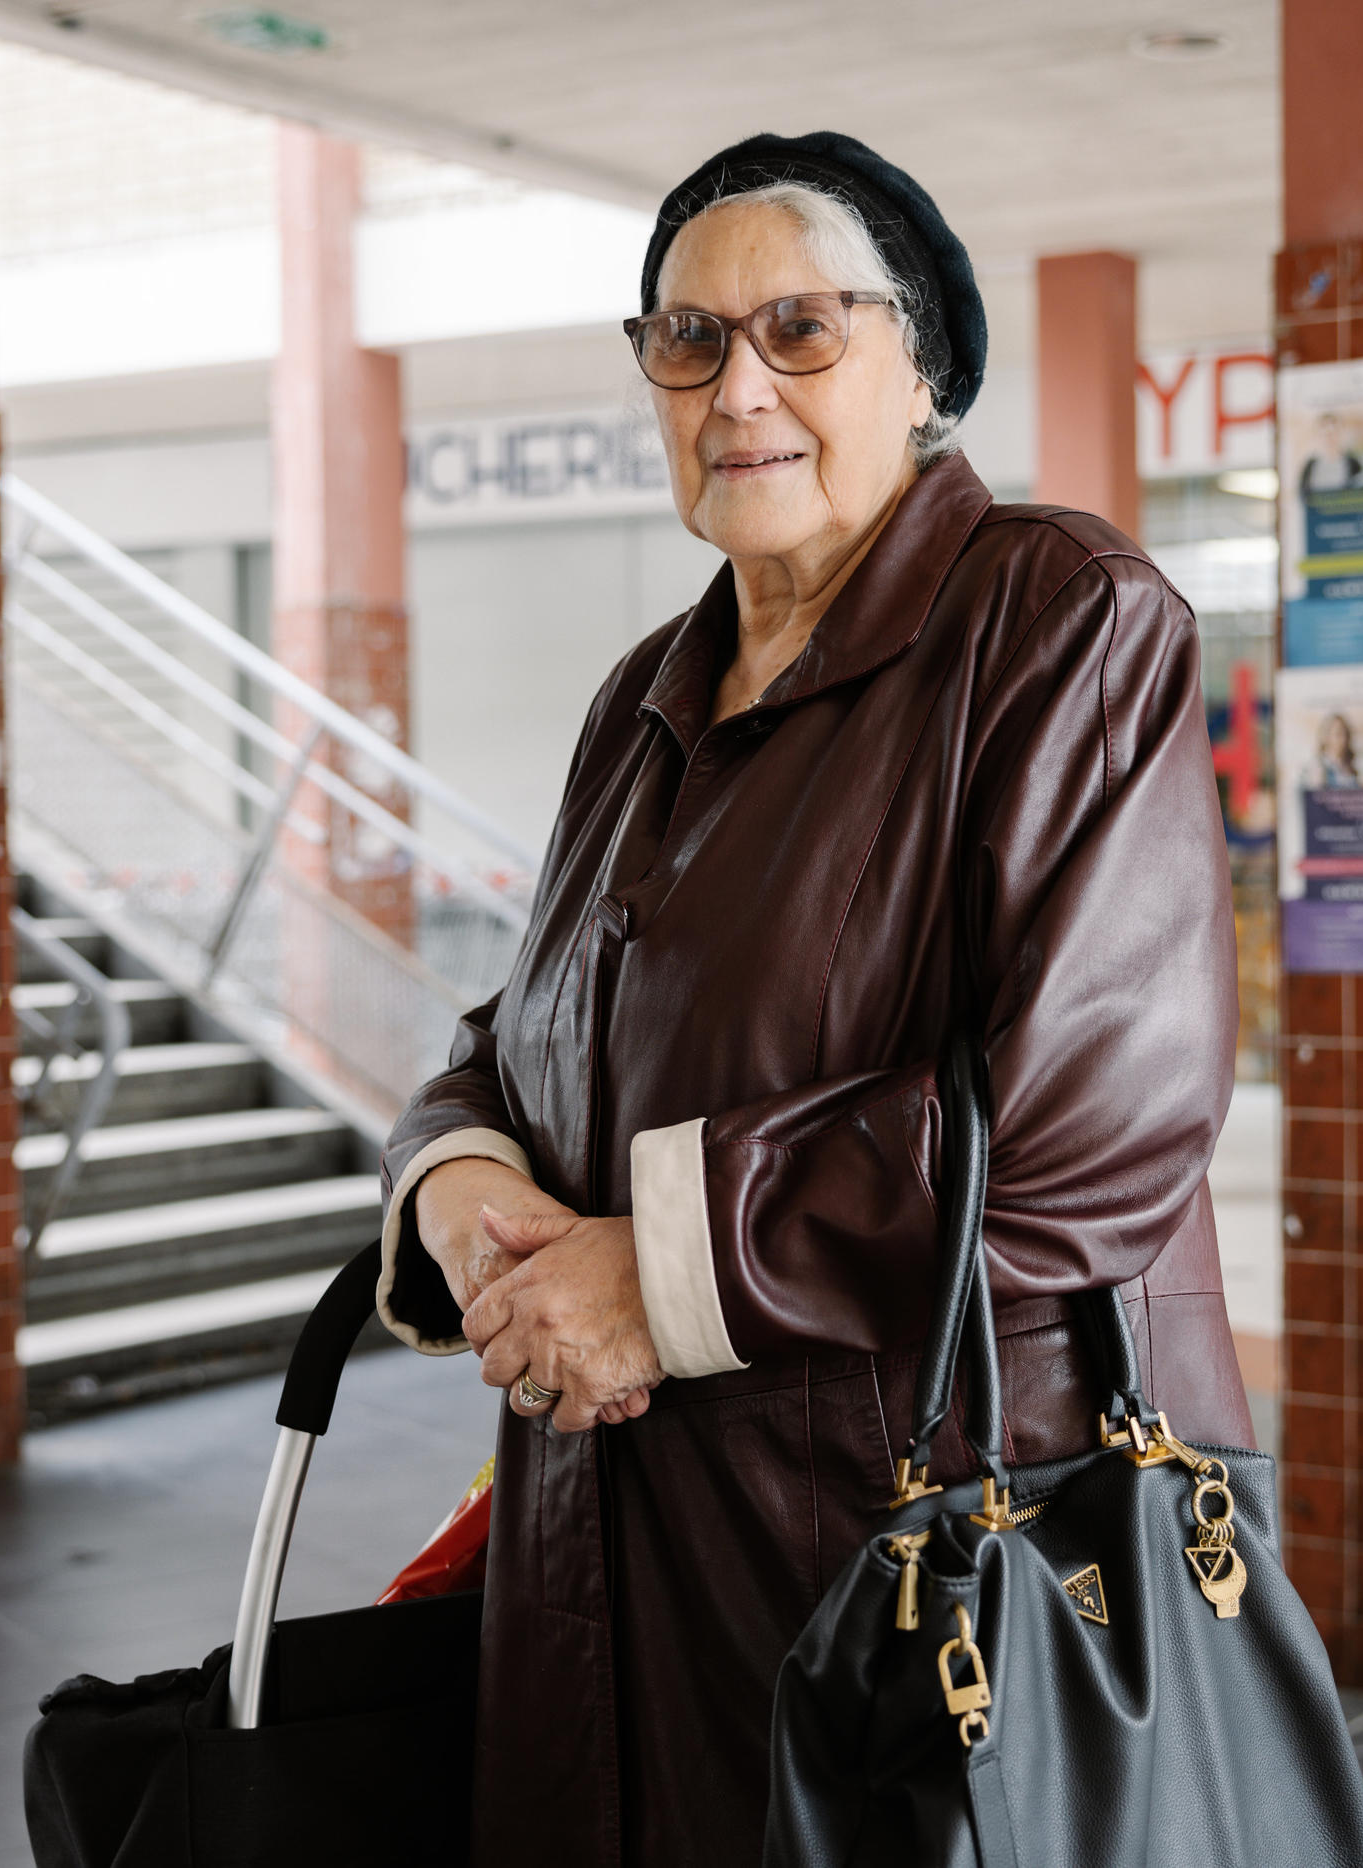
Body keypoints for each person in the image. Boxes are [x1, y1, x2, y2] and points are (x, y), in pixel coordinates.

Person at [369, 131, 1248, 1868]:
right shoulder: (648, 693)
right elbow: (522, 1040)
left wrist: (661, 1268)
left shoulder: (1055, 617)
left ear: (925, 366)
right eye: (685, 341)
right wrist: (464, 1187)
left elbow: (1093, 1124)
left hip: (914, 1553)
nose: (735, 385)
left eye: (801, 329)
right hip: (608, 1555)